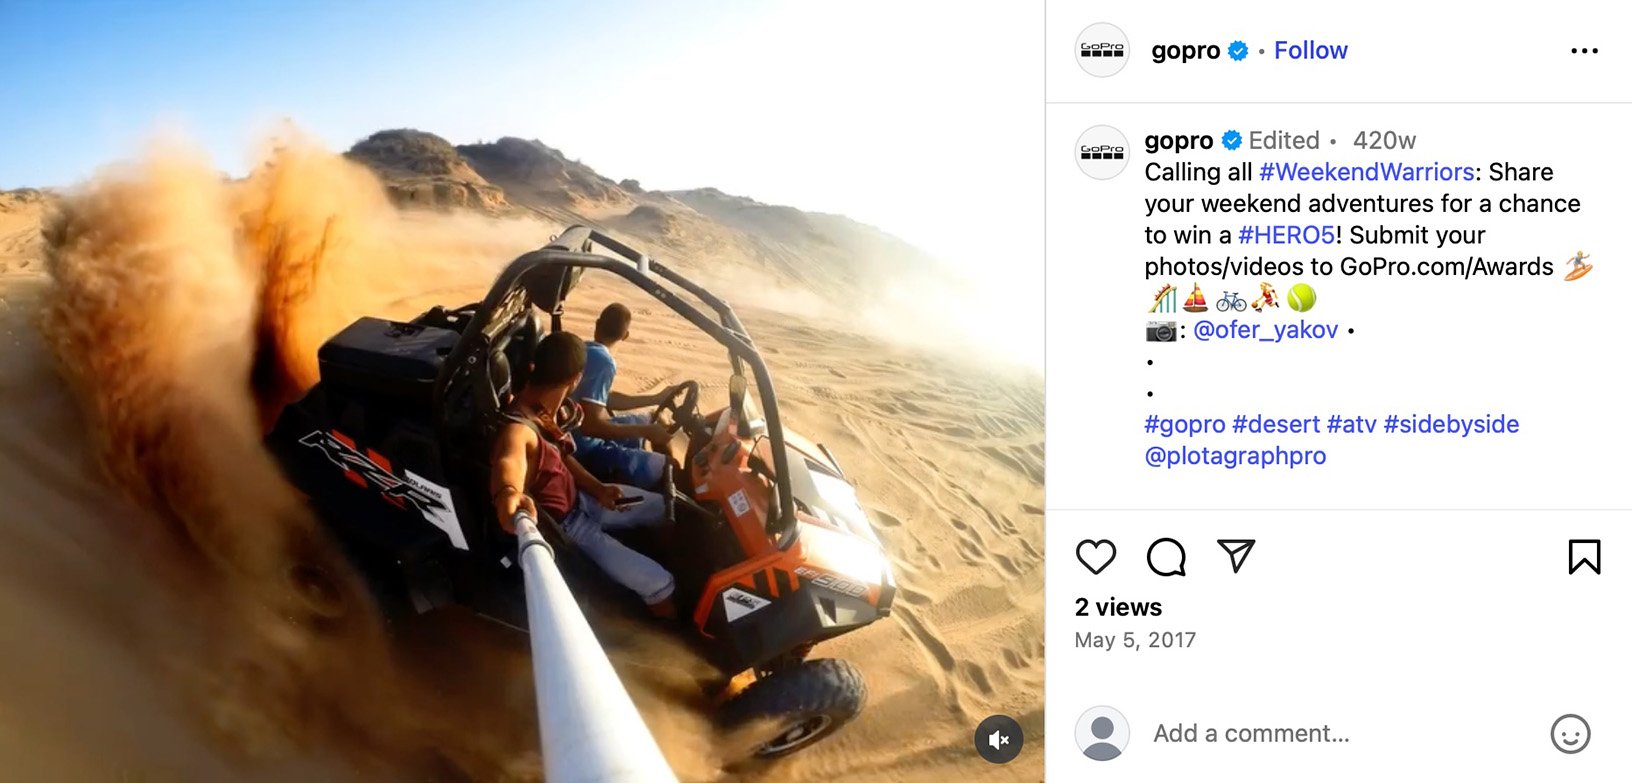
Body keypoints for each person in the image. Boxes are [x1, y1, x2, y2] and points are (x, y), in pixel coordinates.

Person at [491, 330, 677, 618]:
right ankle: (673, 635)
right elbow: (509, 458)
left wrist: (598, 488)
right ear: (575, 380)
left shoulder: (543, 411)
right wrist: (509, 492)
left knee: (665, 509)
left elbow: (563, 457)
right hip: (570, 528)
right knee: (659, 583)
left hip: (585, 499)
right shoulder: (520, 426)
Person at [570, 303, 683, 490]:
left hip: (584, 438)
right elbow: (591, 427)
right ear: (625, 336)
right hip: (586, 451)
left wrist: (656, 398)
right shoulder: (604, 362)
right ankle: (666, 496)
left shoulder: (586, 350)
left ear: (597, 324)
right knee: (672, 468)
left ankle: (650, 473)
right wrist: (645, 431)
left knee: (657, 419)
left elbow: (604, 399)